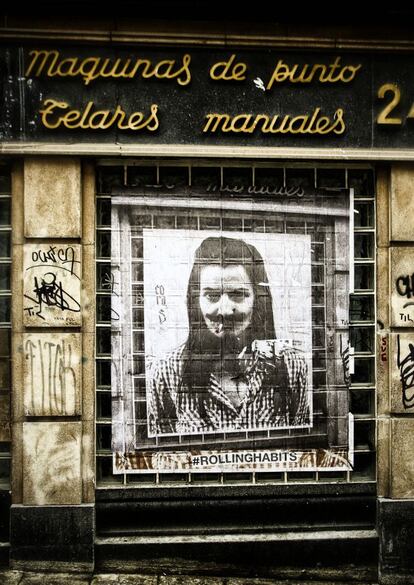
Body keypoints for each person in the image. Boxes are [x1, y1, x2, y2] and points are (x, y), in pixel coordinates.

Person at [147, 236, 310, 436]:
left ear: (258, 301)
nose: (224, 310)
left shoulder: (293, 367)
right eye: (212, 296)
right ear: (196, 301)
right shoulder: (166, 372)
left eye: (238, 294)